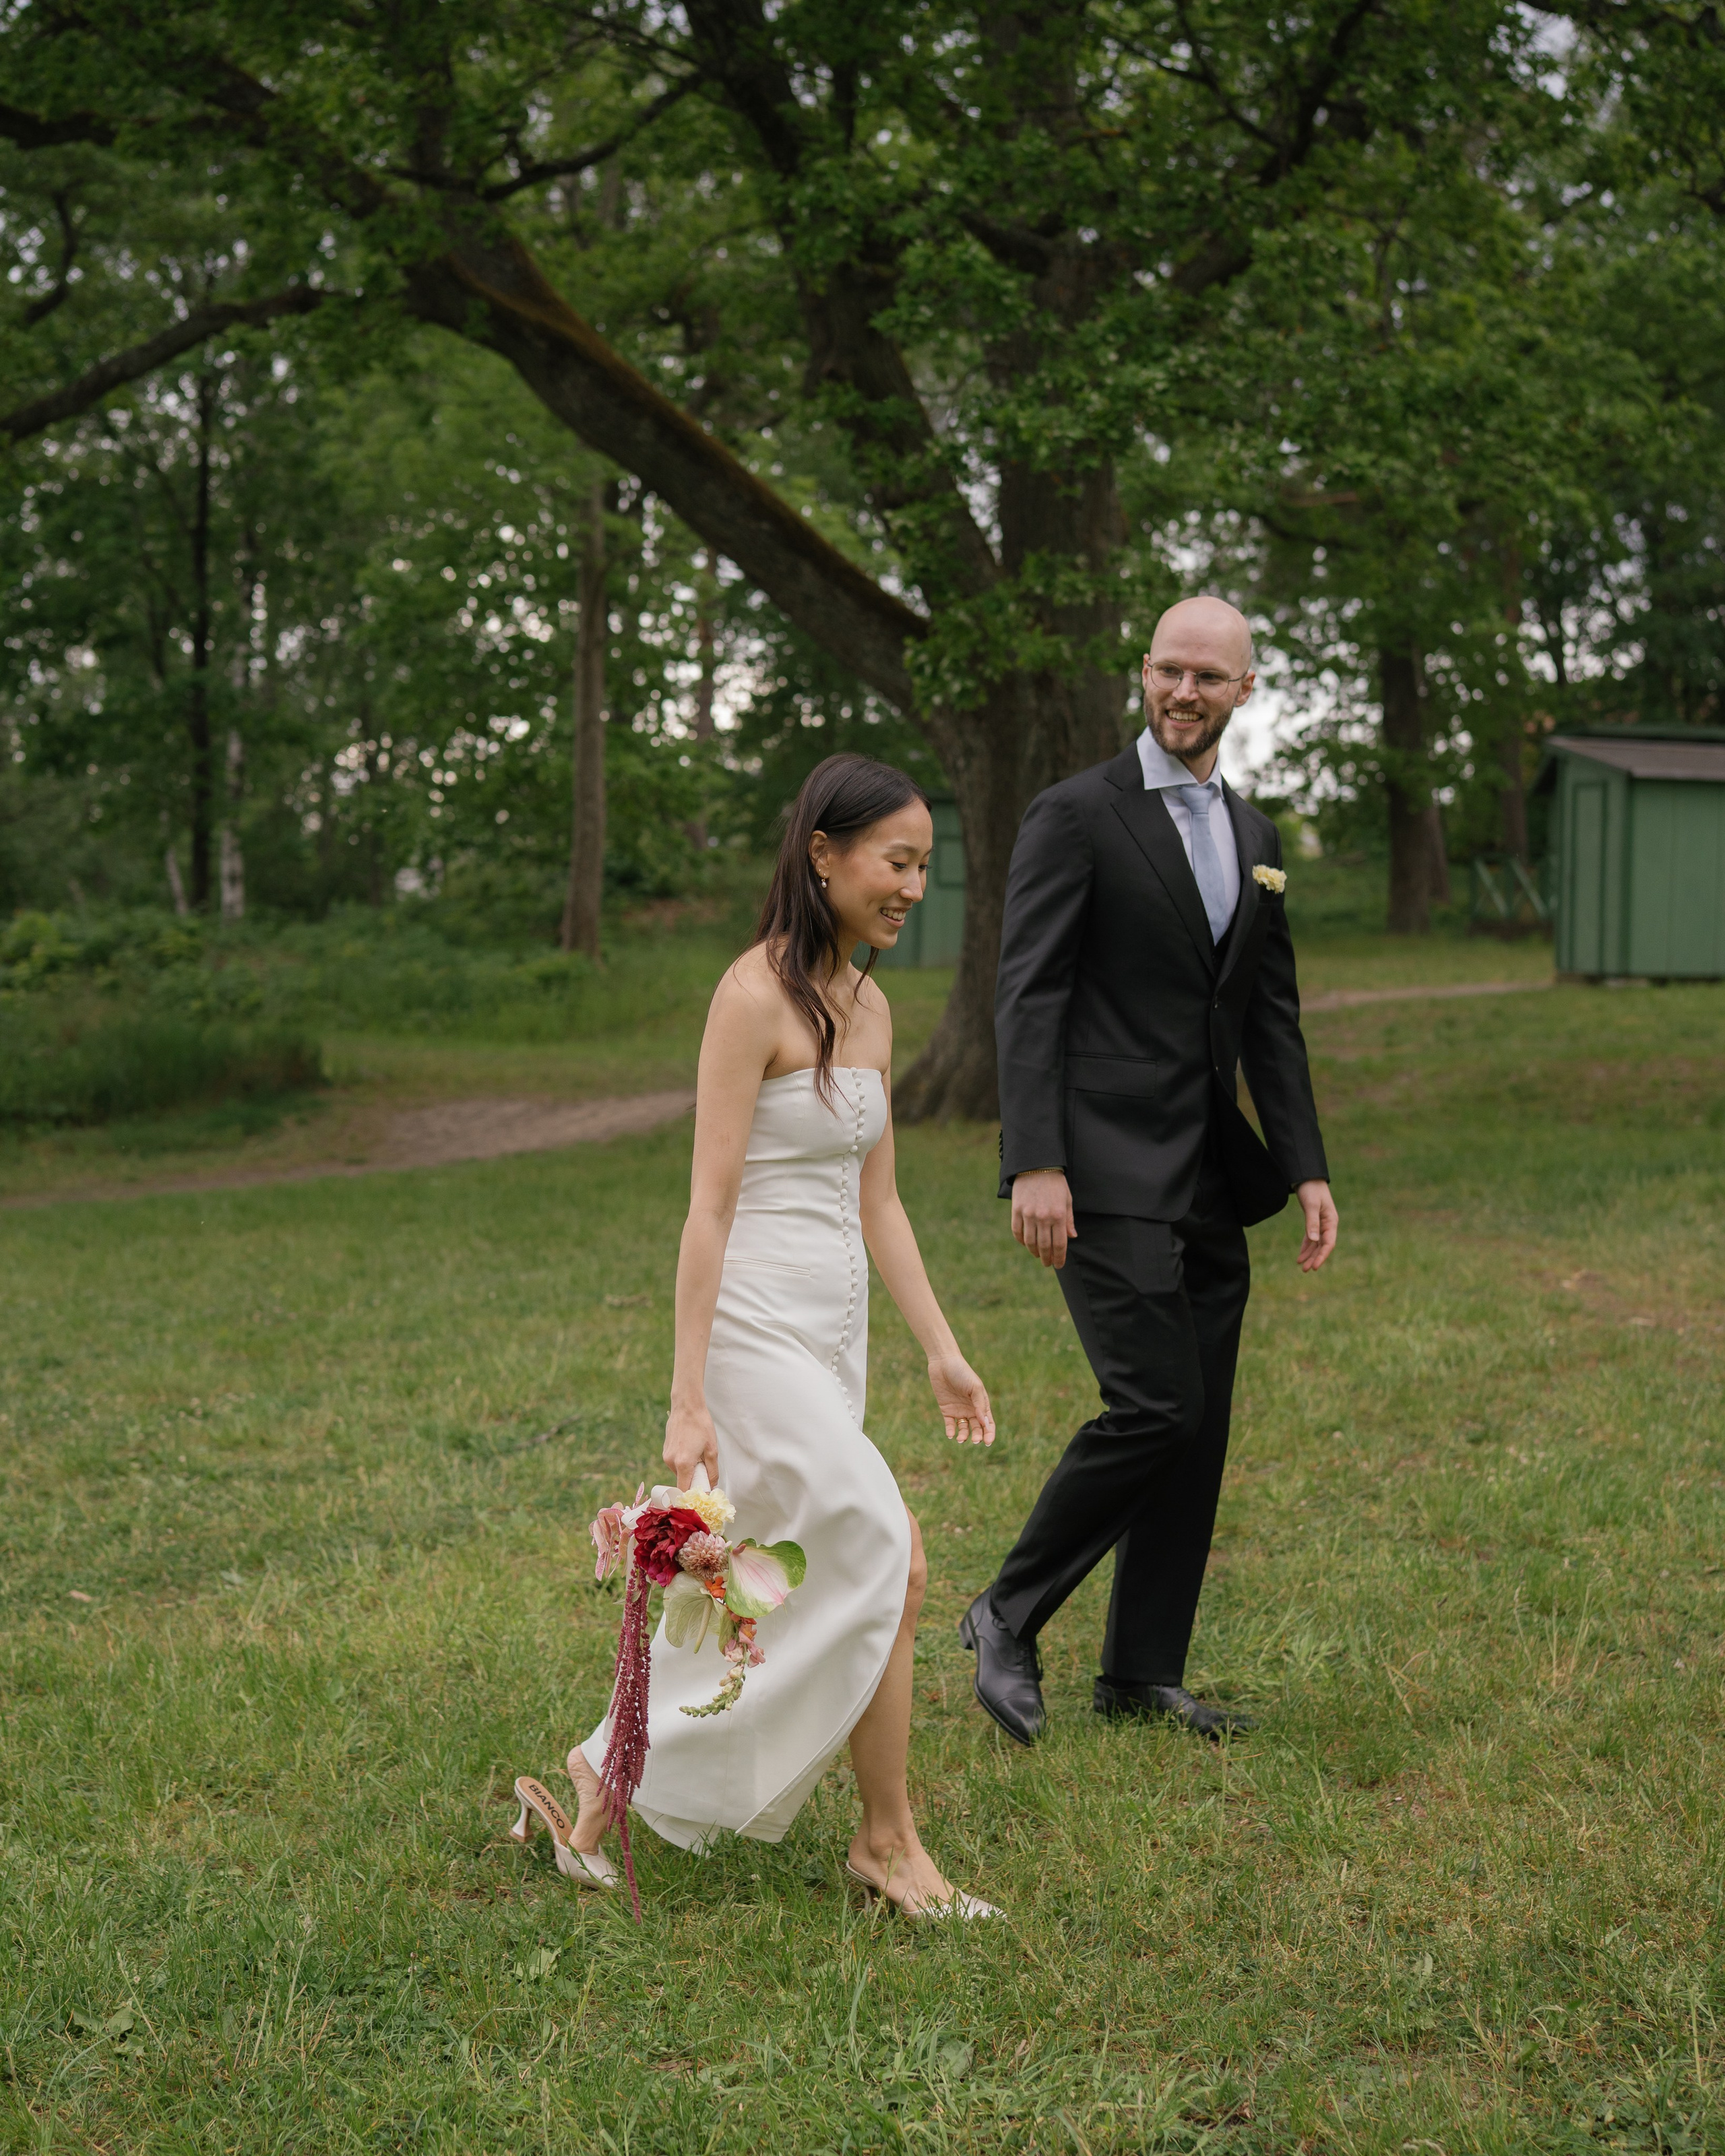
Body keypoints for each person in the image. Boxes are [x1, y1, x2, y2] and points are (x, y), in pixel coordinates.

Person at [535, 753, 999, 1916]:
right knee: (891, 1554)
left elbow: (879, 1200)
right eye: (896, 863)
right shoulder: (750, 996)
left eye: (924, 867)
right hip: (750, 1333)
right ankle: (889, 1843)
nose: (911, 887)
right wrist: (688, 1396)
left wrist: (940, 1346)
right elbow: (709, 1206)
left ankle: (602, 1780)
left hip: (831, 1338)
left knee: (767, 1583)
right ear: (823, 856)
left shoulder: (875, 1001)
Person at [962, 596, 1338, 1747]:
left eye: (1209, 678)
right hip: (1100, 1166)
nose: (1185, 692)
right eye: (1170, 670)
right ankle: (1006, 1613)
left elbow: (1267, 1015)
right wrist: (1036, 1160)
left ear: (1245, 691)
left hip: (1212, 1176)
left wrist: (1307, 1166)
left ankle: (1140, 1673)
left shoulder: (1258, 840)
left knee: (1202, 1419)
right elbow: (1028, 993)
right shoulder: (1076, 815)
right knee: (1155, 1404)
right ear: (1145, 674)